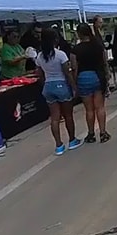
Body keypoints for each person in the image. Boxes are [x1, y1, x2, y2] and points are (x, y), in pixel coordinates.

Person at [36, 28, 81, 156]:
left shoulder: (40, 56)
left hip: (48, 86)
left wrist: (45, 83)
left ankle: (58, 145)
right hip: (61, 85)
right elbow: (67, 73)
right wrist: (73, 87)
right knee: (68, 115)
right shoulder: (60, 55)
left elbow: (39, 73)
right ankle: (72, 140)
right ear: (55, 39)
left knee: (55, 118)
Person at [71, 23, 111, 144]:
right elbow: (105, 62)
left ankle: (91, 134)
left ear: (79, 34)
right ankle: (103, 133)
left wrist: (75, 82)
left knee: (89, 109)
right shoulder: (98, 46)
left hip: (83, 77)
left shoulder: (75, 50)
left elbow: (74, 67)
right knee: (100, 107)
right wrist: (107, 75)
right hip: (97, 76)